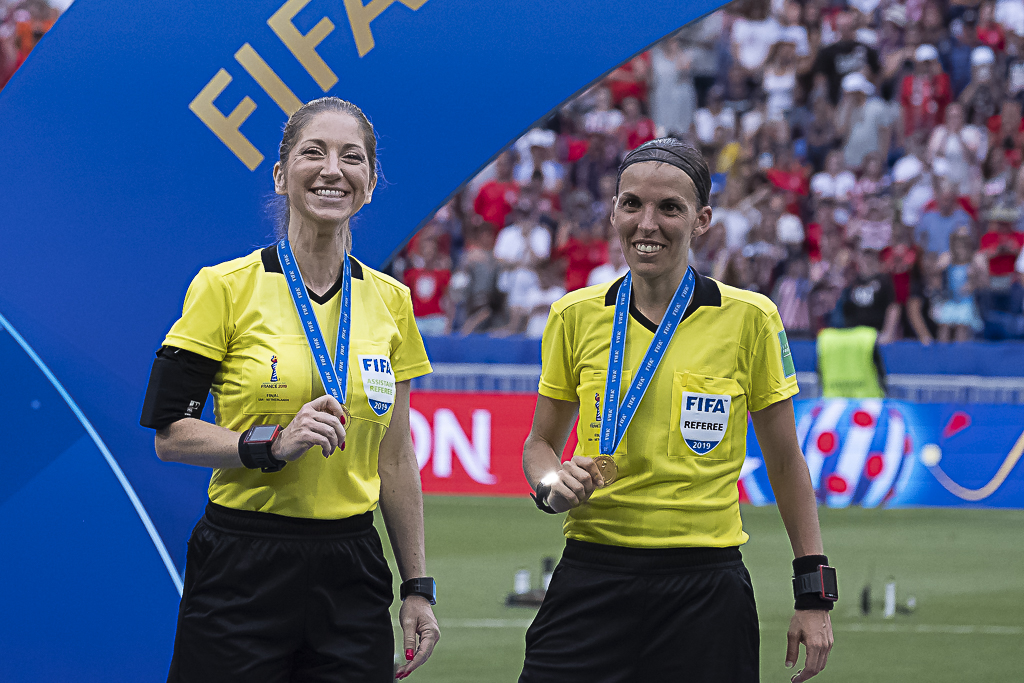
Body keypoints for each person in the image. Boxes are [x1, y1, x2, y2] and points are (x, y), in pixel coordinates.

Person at [139, 97, 439, 682]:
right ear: (281, 175)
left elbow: (397, 457)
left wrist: (417, 587)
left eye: (352, 157)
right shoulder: (223, 287)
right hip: (242, 563)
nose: (333, 170)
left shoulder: (392, 302)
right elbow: (170, 434)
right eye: (313, 153)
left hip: (352, 568)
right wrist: (269, 444)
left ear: (369, 184)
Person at [519, 139, 835, 683]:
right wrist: (552, 484)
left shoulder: (751, 319)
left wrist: (813, 593)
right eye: (632, 204)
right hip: (592, 575)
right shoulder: (574, 315)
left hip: (706, 590)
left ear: (701, 220)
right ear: (614, 212)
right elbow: (539, 444)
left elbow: (786, 463)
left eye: (669, 208)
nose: (648, 224)